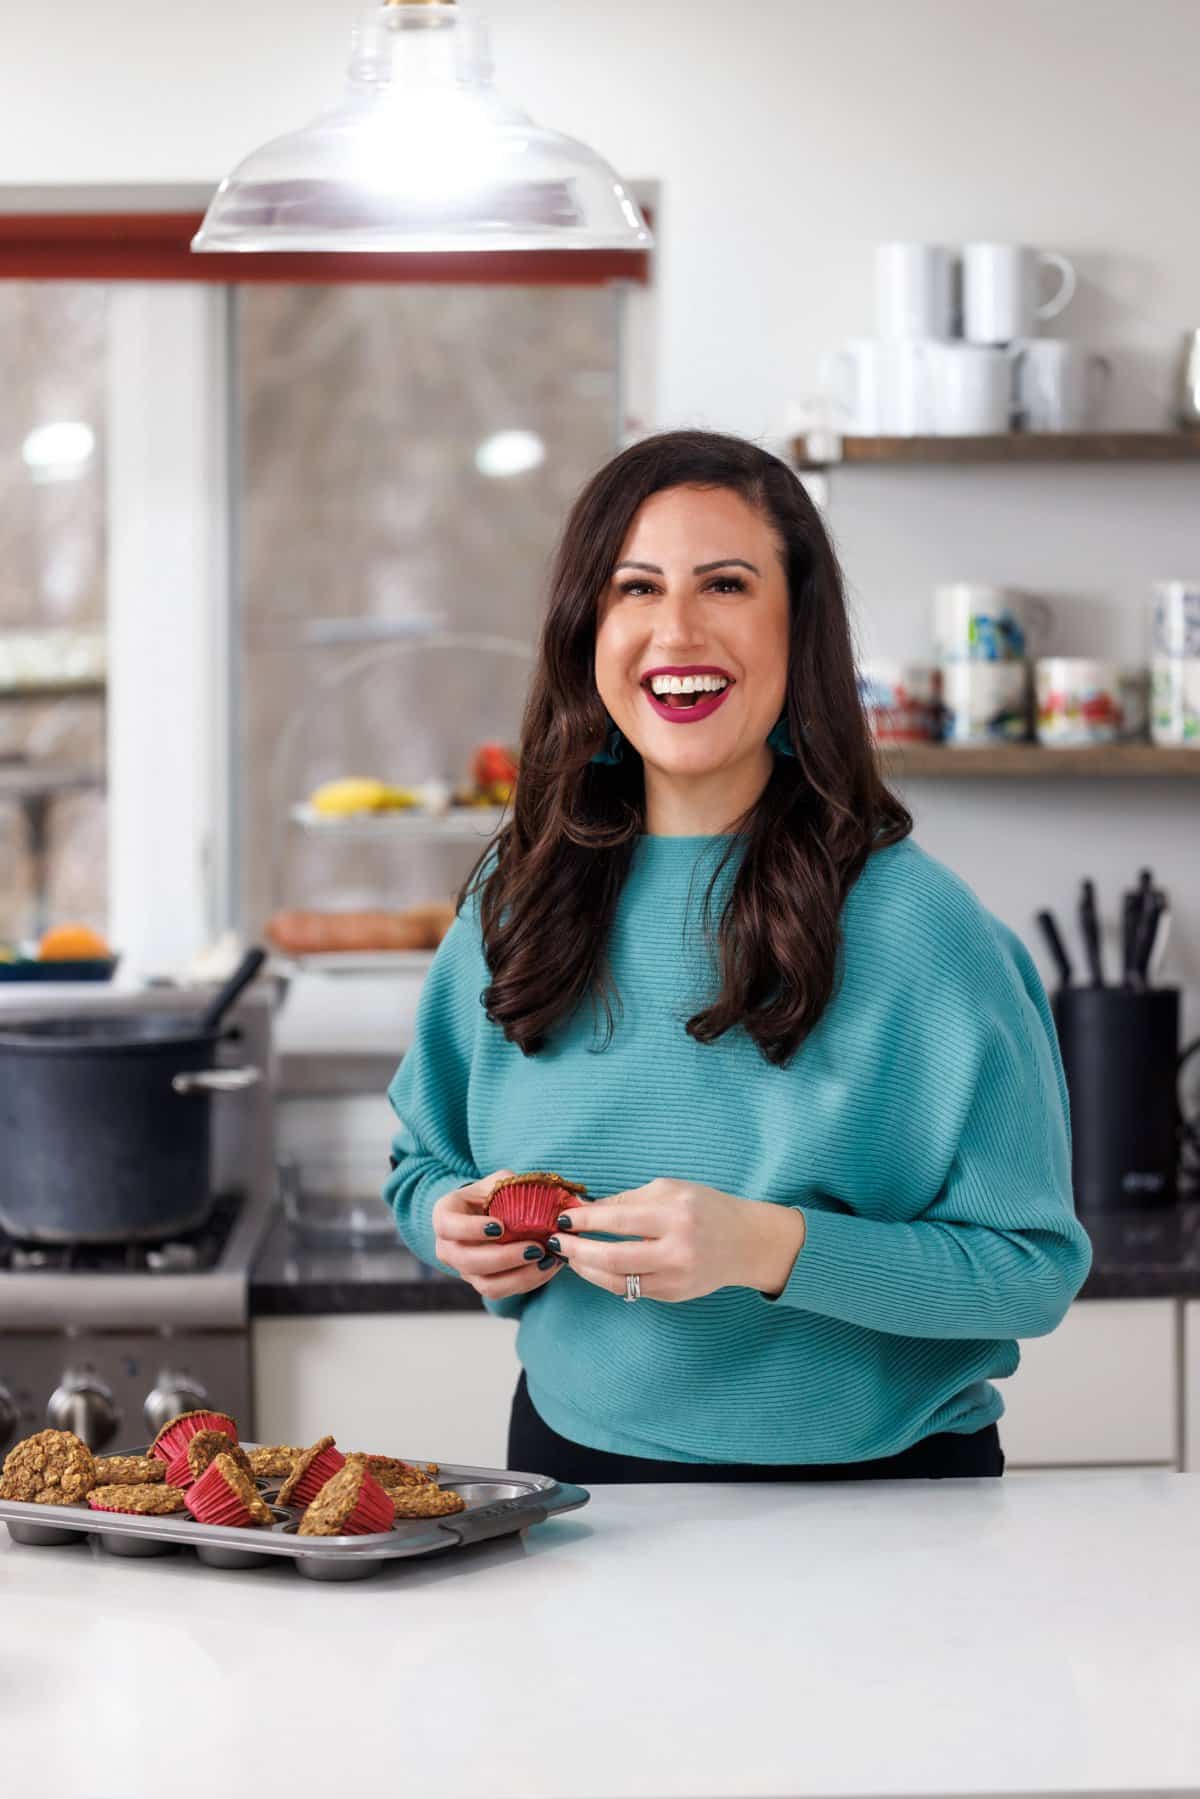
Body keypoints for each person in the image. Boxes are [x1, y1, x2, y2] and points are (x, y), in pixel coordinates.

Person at [384, 429, 1092, 1485]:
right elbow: (421, 1166)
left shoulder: (921, 924)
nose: (676, 629)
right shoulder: (517, 899)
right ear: (587, 628)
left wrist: (766, 1248)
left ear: (798, 626)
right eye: (636, 588)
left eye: (725, 584)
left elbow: (1030, 1271)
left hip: (883, 1503)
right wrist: (450, 1225)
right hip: (576, 1482)